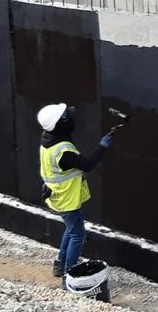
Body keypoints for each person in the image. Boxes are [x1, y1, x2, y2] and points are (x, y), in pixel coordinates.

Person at [37, 103, 115, 282]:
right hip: (65, 199)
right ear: (60, 124)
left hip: (57, 196)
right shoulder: (63, 151)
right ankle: (68, 275)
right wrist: (102, 146)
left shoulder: (48, 139)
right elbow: (87, 165)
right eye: (66, 117)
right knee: (78, 235)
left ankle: (60, 263)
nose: (71, 118)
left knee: (71, 229)